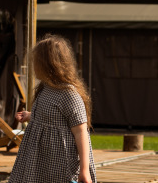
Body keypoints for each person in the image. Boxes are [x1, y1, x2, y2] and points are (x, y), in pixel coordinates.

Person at [8, 35, 96, 183]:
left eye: (36, 62)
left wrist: (84, 170)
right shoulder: (45, 87)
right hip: (39, 160)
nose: (33, 66)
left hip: (59, 164)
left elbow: (81, 132)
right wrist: (30, 115)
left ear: (49, 64)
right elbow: (50, 116)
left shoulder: (68, 94)